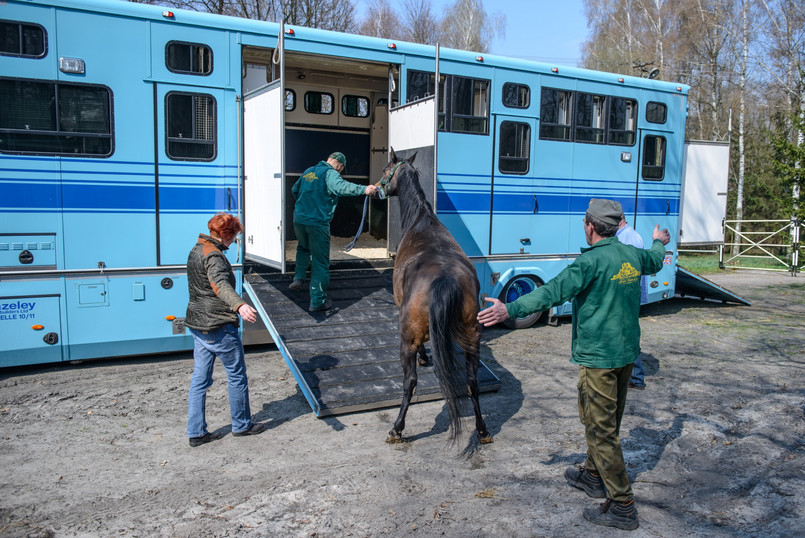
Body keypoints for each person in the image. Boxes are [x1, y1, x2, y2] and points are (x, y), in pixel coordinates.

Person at [478, 199, 671, 531]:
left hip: (599, 359)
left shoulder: (590, 262)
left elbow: (552, 291)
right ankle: (594, 475)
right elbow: (656, 260)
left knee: (600, 429)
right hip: (625, 355)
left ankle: (623, 505)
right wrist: (658, 240)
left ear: (590, 226)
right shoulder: (633, 254)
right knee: (602, 421)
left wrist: (509, 310)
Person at [185, 213, 264, 447]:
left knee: (199, 381)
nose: (234, 240)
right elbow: (220, 284)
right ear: (226, 234)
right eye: (234, 236)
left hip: (198, 326)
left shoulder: (197, 249)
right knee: (236, 376)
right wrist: (239, 305)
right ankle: (242, 425)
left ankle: (196, 432)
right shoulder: (215, 256)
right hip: (218, 326)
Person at [289, 152, 378, 312]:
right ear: (340, 166)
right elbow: (342, 187)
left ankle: (298, 278)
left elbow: (295, 190)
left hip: (299, 219)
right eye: (341, 171)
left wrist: (306, 206)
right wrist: (364, 189)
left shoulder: (309, 171)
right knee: (320, 262)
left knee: (302, 247)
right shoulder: (330, 173)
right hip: (317, 223)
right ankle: (317, 302)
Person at [616, 213, 648, 390]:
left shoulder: (630, 238)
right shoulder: (623, 236)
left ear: (620, 219)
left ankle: (636, 378)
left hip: (627, 296)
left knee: (628, 336)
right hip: (625, 296)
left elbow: (629, 271)